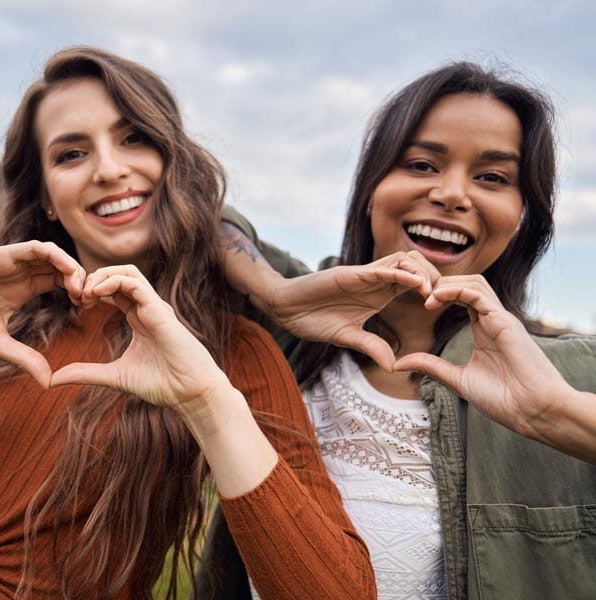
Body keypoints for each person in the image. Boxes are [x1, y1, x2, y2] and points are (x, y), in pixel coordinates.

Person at [0, 47, 378, 599]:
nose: (109, 170)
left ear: (174, 164)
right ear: (47, 199)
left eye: (134, 137)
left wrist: (207, 402)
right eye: (70, 154)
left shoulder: (231, 350)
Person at [210, 62, 596, 599]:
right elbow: (191, 208)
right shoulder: (288, 333)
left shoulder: (575, 372)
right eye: (420, 164)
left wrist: (553, 413)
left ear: (522, 216)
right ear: (371, 186)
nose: (452, 194)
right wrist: (274, 292)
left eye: (493, 178)